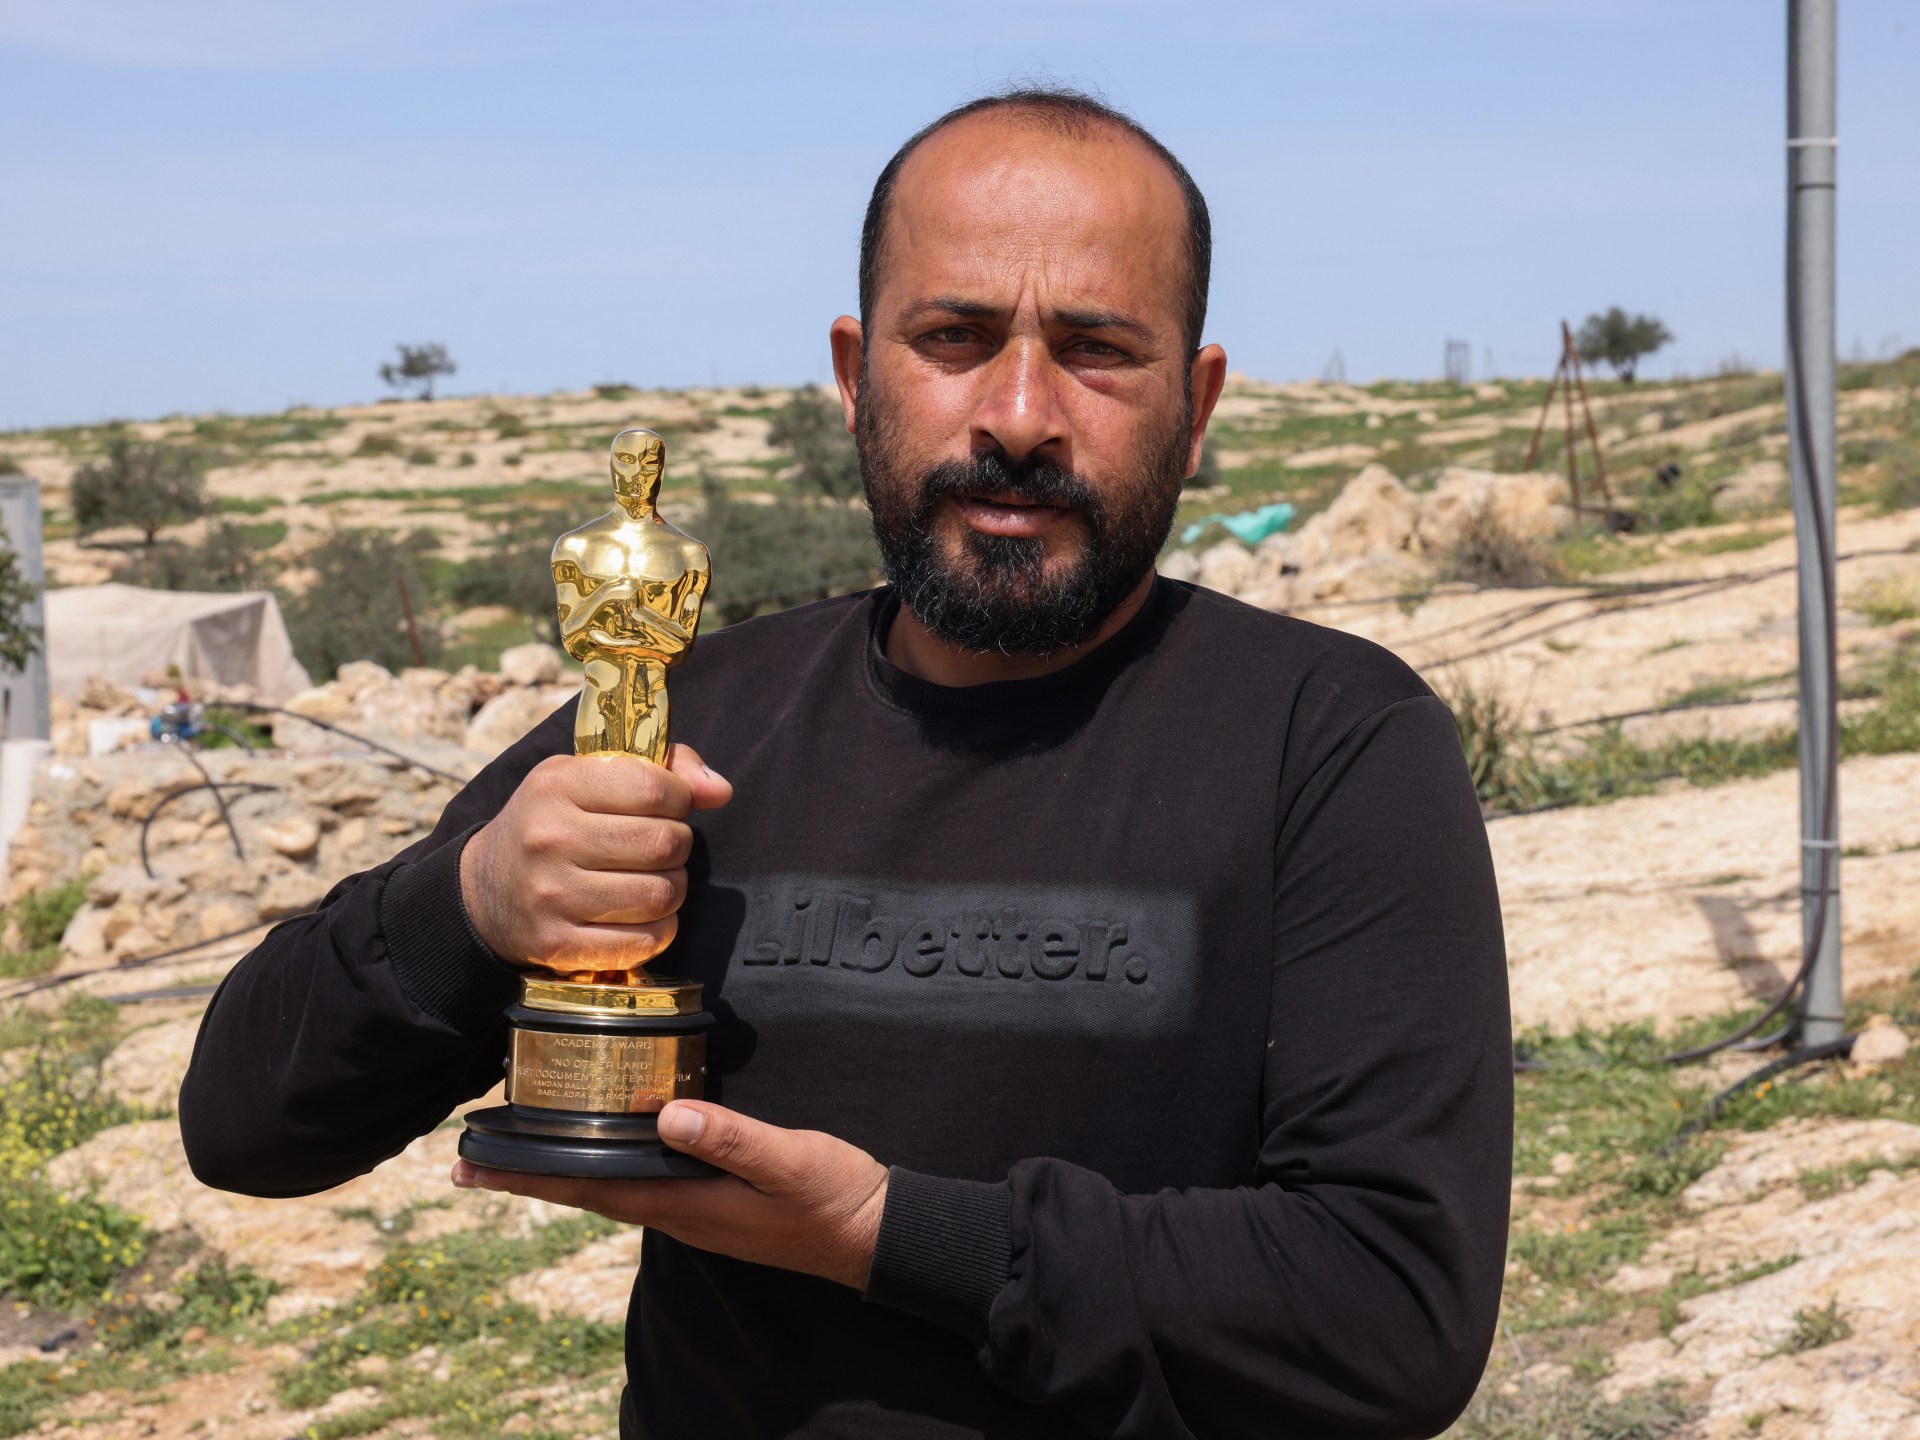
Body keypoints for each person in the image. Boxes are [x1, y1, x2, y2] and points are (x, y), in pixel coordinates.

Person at [182, 88, 1511, 1439]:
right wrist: (469, 906)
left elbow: (1393, 1313)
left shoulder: (1328, 741)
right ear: (855, 375)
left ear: (1198, 402)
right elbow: (242, 1123)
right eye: (955, 338)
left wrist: (881, 1232)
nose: (1021, 416)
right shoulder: (690, 718)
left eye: (1098, 349)